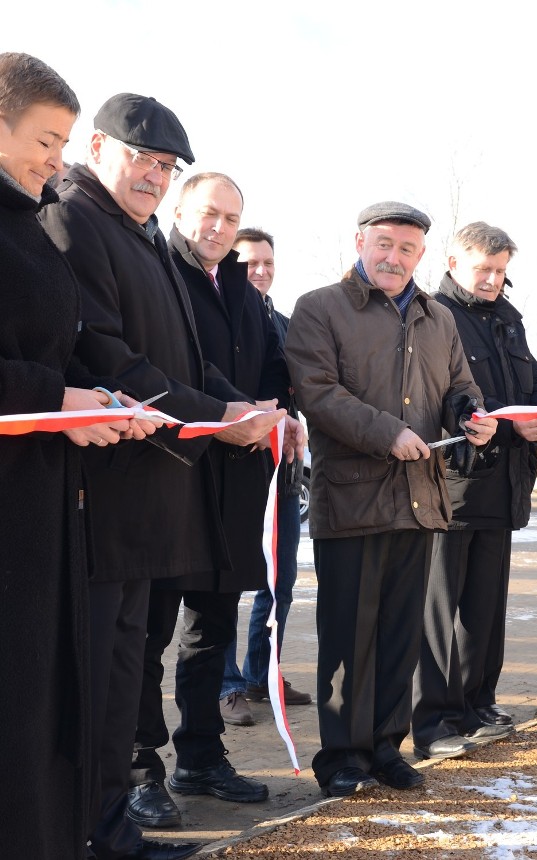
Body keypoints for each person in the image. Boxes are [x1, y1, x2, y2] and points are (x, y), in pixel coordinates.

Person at [40, 93, 291, 860]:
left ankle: (112, 828)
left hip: (150, 493)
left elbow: (178, 357)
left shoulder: (137, 232)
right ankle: (92, 826)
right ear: (94, 146)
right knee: (103, 681)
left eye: (164, 165)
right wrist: (215, 412)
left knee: (119, 676)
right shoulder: (74, 216)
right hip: (105, 489)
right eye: (142, 158)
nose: (153, 174)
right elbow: (110, 358)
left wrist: (232, 404)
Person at [285, 201, 498, 798]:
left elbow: (461, 385)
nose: (393, 256)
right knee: (349, 636)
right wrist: (387, 432)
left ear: (422, 255)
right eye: (383, 243)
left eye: (406, 248)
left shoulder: (438, 319)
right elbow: (317, 393)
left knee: (399, 635)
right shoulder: (320, 308)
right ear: (360, 242)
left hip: (419, 499)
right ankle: (342, 758)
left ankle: (385, 748)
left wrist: (472, 416)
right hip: (352, 501)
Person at [0, 51, 150, 860]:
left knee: (37, 715)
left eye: (63, 145)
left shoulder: (28, 224)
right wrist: (52, 399)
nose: (56, 161)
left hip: (42, 509)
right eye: (46, 139)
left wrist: (92, 405)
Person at [127, 174, 303, 828]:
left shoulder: (239, 286)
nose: (220, 228)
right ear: (181, 210)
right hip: (170, 474)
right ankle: (140, 766)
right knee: (150, 632)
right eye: (209, 214)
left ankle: (201, 753)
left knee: (210, 628)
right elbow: (178, 368)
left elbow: (276, 365)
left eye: (231, 218)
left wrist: (282, 410)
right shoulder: (157, 268)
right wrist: (237, 405)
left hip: (234, 484)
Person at [412, 222, 537, 760]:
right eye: (483, 269)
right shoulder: (432, 315)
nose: (492, 280)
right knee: (441, 607)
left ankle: (477, 703)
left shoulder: (508, 319)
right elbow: (447, 397)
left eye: (500, 271)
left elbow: (534, 383)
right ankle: (435, 718)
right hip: (454, 484)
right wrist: (520, 424)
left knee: (486, 606)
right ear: (452, 261)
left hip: (505, 484)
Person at [218, 227, 312, 728]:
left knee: (280, 583)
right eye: (250, 263)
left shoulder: (286, 323)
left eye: (268, 264)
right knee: (228, 585)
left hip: (283, 472)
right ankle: (228, 684)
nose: (260, 272)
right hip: (235, 470)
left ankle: (261, 674)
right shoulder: (218, 316)